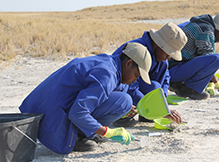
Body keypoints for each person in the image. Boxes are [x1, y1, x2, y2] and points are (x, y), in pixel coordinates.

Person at [19, 43, 153, 154]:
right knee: (124, 101)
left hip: (37, 110)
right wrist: (107, 132)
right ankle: (77, 136)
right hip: (48, 119)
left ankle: (88, 131)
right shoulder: (107, 76)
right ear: (128, 63)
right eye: (136, 75)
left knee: (124, 102)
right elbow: (78, 112)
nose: (134, 80)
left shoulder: (109, 63)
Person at [112, 22, 187, 126]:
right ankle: (120, 115)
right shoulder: (137, 51)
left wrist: (161, 105)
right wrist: (153, 107)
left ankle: (147, 115)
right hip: (118, 91)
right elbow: (129, 85)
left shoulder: (161, 58)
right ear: (159, 44)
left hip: (134, 91)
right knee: (131, 96)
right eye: (169, 53)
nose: (169, 58)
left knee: (156, 86)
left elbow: (166, 78)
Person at [168, 13, 219, 99]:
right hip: (172, 70)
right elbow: (208, 61)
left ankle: (177, 84)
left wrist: (211, 82)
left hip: (169, 68)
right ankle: (189, 90)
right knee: (216, 59)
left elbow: (201, 59)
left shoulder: (199, 25)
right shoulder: (206, 31)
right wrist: (216, 82)